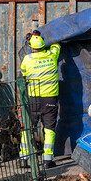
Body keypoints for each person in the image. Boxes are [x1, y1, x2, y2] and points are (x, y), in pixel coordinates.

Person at [19, 31, 61, 169]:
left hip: (33, 99)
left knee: (27, 128)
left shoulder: (27, 59)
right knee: (49, 129)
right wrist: (43, 37)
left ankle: (24, 158)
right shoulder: (52, 55)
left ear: (31, 47)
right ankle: (47, 160)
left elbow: (23, 73)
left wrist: (30, 39)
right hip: (50, 99)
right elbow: (56, 44)